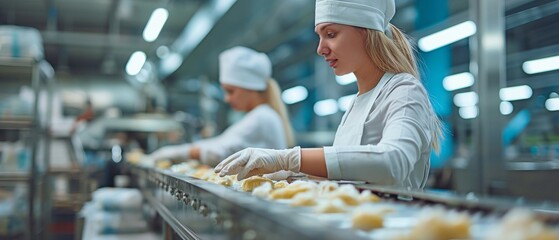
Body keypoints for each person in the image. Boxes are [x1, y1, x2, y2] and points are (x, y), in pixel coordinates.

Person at [215, 0, 443, 189]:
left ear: (366, 33)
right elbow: (345, 178)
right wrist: (287, 176)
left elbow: (393, 163)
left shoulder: (404, 91)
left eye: (331, 34)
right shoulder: (356, 103)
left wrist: (288, 159)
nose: (320, 48)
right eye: (319, 36)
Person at [148, 46, 295, 167]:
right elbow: (220, 142)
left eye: (231, 91)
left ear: (250, 88)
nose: (226, 98)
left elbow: (217, 153)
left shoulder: (262, 117)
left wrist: (173, 153)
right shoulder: (262, 115)